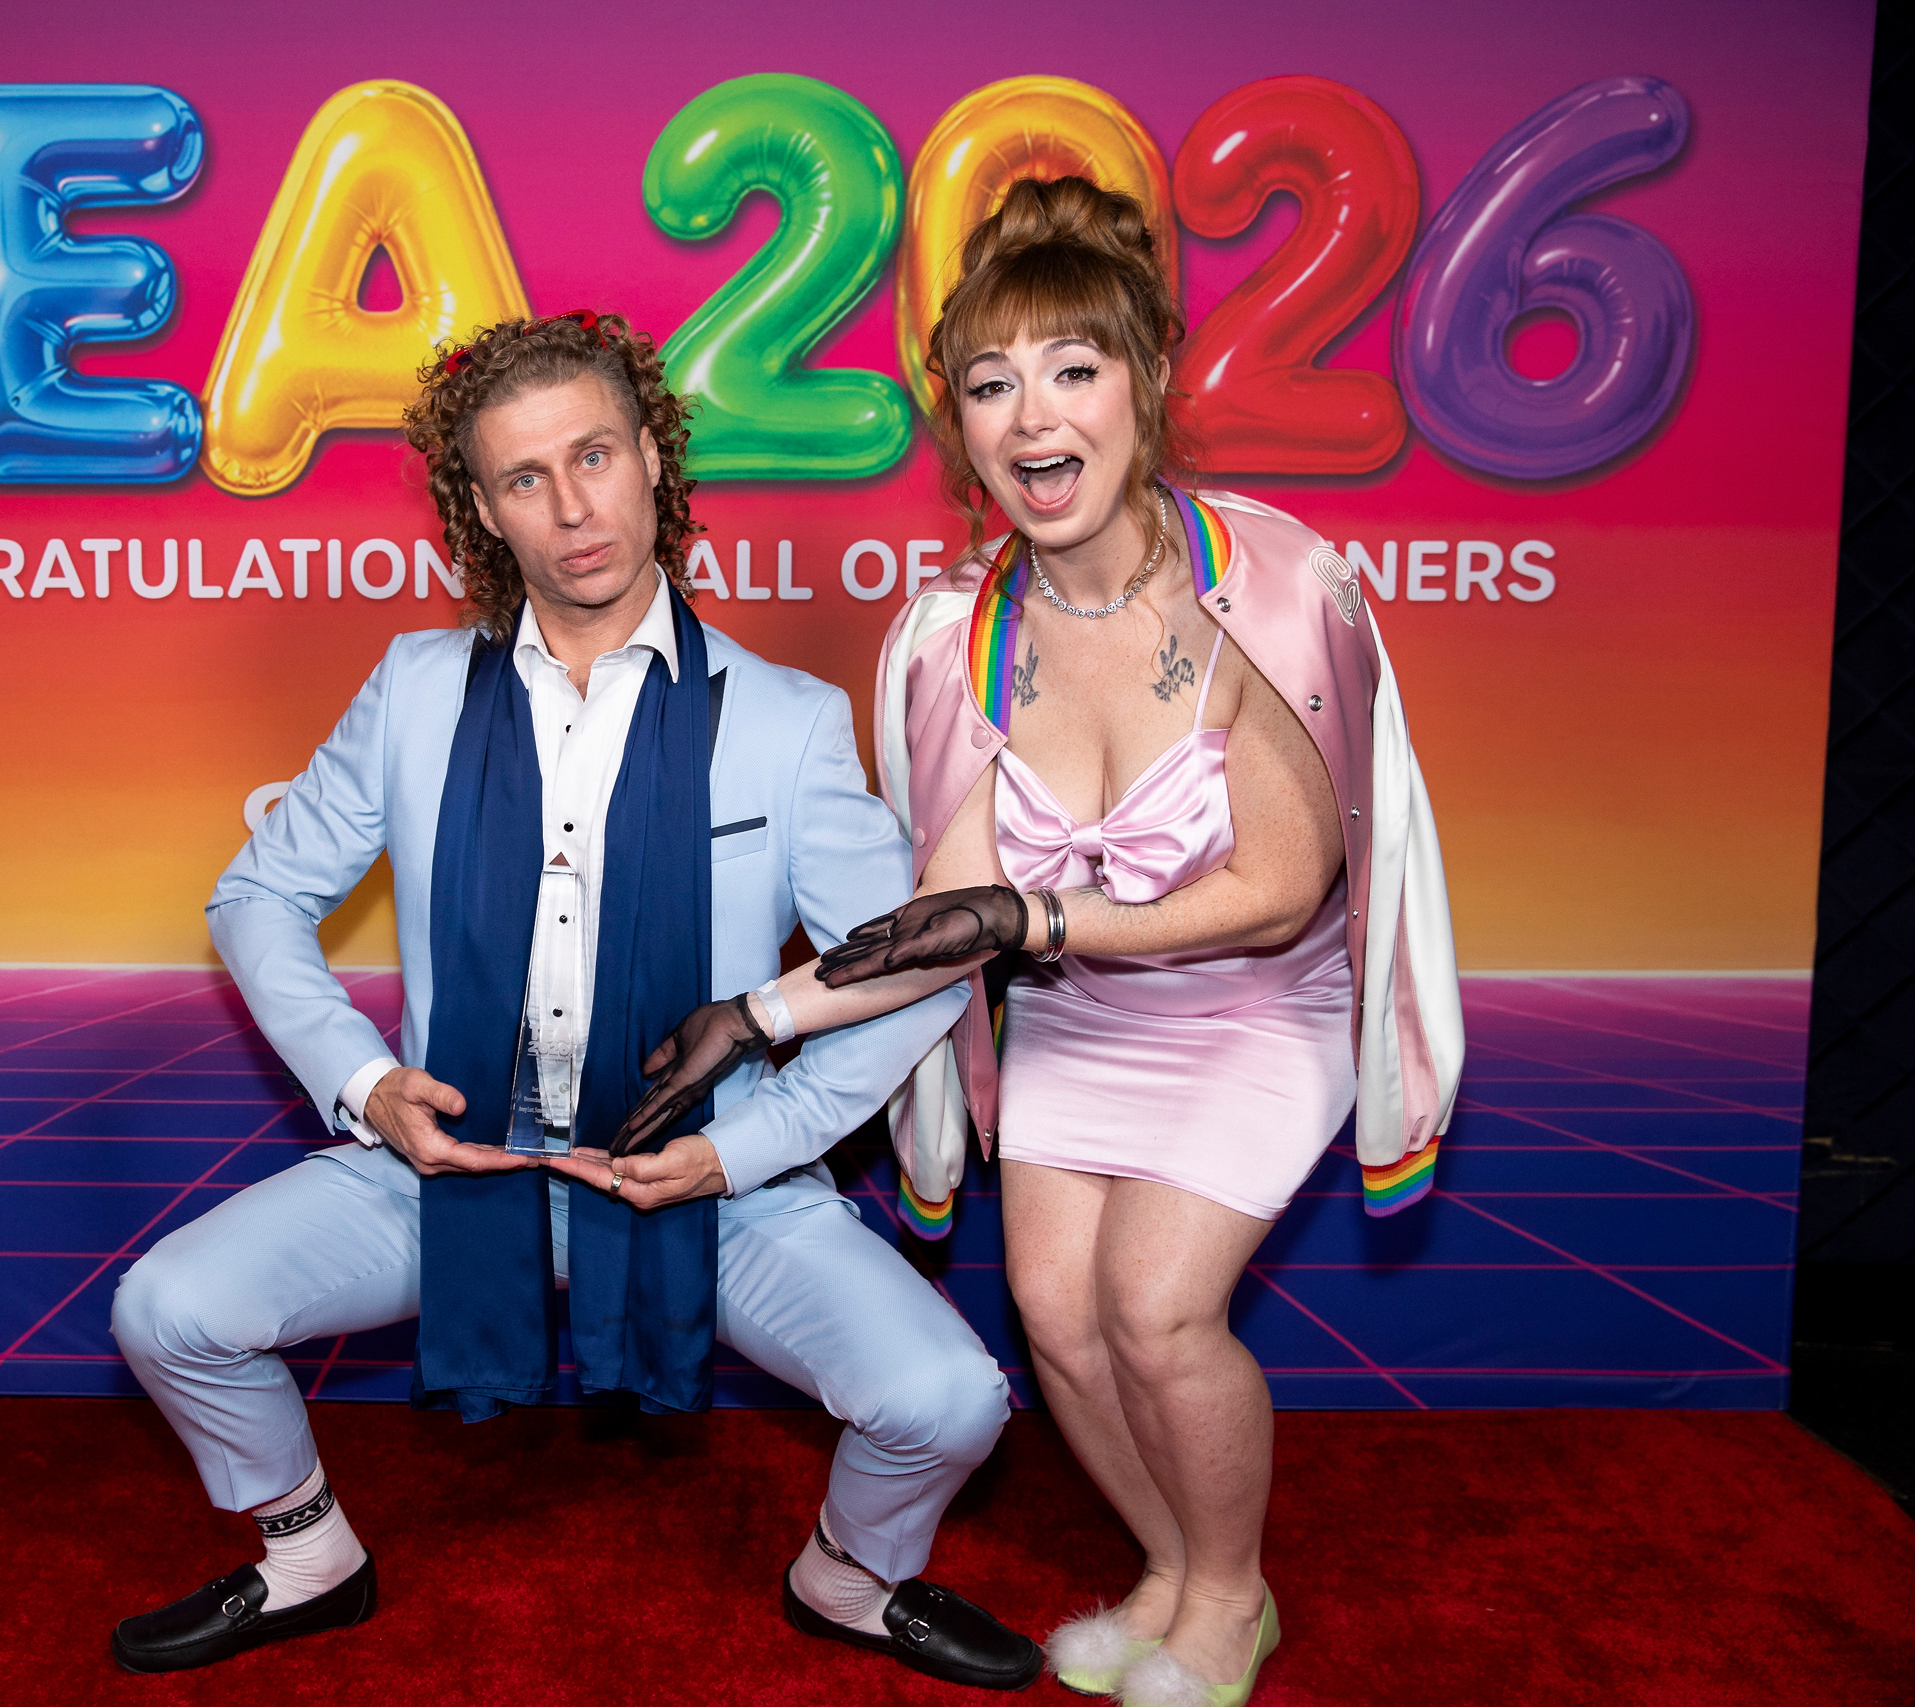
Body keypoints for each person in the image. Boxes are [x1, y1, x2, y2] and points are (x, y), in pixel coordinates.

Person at [105, 309, 1044, 1691]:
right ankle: (307, 1556)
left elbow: (903, 975)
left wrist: (745, 1150)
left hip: (703, 1180)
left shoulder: (782, 718)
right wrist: (368, 1085)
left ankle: (850, 1575)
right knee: (169, 1309)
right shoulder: (417, 689)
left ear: (654, 457)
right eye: (525, 478)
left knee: (949, 1400)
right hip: (457, 1161)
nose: (572, 507)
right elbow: (256, 895)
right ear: (484, 511)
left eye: (594, 456)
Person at [617, 180, 1462, 1707]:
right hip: (1087, 1015)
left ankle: (1234, 1596)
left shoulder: (1268, 586)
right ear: (961, 427)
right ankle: (1173, 1568)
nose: (1034, 416)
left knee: (1156, 1308)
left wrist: (1042, 916)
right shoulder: (961, 631)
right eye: (993, 384)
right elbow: (945, 922)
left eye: (1075, 368)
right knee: (1062, 1324)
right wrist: (756, 1014)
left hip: (1257, 1006)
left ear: (1149, 382)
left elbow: (1284, 888)